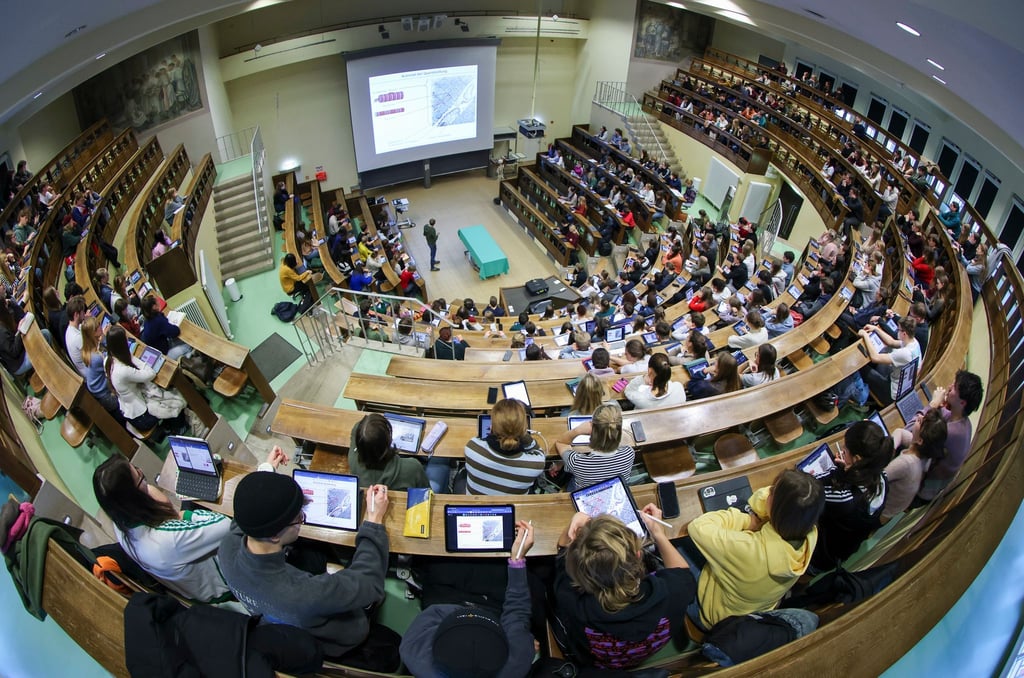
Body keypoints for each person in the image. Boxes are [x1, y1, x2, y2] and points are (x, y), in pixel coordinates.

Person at [219, 462, 400, 671]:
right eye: (299, 518)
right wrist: (374, 522)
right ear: (275, 535)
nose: (301, 520)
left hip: (282, 618)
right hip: (343, 639)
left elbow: (243, 519)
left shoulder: (226, 550)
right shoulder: (304, 593)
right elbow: (369, 583)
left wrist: (266, 475)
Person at [92, 451, 260, 603]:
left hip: (193, 582)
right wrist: (181, 515)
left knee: (199, 485)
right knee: (246, 512)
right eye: (140, 478)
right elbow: (224, 526)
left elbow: (155, 498)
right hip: (224, 582)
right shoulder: (165, 540)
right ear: (134, 499)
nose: (144, 475)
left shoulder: (120, 524)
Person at [684, 469, 823, 631]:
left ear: (778, 508)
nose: (768, 491)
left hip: (710, 614)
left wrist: (746, 520)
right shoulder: (810, 533)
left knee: (683, 544)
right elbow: (759, 500)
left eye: (772, 491)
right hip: (749, 613)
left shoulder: (751, 550)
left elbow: (697, 527)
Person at [553, 509, 694, 669]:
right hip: (643, 654)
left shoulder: (571, 600)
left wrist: (574, 523)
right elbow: (682, 571)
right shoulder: (673, 590)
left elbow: (562, 552)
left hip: (593, 661)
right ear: (639, 555)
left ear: (578, 575)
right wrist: (658, 534)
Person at [399, 519, 537, 678]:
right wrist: (517, 559)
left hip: (448, 603)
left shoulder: (414, 652)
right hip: (494, 608)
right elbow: (517, 613)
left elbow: (433, 612)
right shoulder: (518, 661)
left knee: (438, 566)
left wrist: (466, 612)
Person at [812, 420, 893, 570]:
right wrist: (849, 469)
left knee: (805, 577)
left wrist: (837, 470)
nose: (842, 449)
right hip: (845, 547)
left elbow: (813, 489)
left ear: (857, 459)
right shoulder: (882, 479)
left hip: (823, 551)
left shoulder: (845, 499)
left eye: (846, 449)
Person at [105, 325, 188, 435]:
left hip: (129, 408)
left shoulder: (108, 360)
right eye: (125, 339)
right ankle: (179, 427)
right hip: (141, 417)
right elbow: (150, 374)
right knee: (175, 398)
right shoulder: (122, 371)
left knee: (159, 391)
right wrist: (136, 359)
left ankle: (170, 424)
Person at [916, 370, 983, 502]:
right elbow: (945, 414)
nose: (949, 387)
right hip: (929, 473)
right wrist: (941, 406)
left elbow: (915, 431)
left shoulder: (951, 432)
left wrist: (933, 404)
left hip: (923, 489)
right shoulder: (964, 421)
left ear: (962, 402)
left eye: (954, 388)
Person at [464, 398, 545, 495]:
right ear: (524, 428)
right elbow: (537, 450)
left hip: (477, 507)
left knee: (461, 476)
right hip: (512, 508)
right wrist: (521, 432)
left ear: (491, 426)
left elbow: (481, 439)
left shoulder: (472, 448)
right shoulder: (536, 464)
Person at [553, 403, 635, 490]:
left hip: (586, 494)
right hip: (614, 493)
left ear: (592, 429)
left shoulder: (578, 462)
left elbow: (561, 443)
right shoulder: (629, 453)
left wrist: (577, 430)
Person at [882, 409, 947, 519]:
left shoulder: (906, 463)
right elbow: (900, 432)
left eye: (921, 422)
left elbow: (877, 478)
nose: (919, 417)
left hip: (881, 511)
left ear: (921, 440)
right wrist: (889, 449)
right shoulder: (925, 454)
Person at [348, 413, 429, 490]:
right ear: (388, 440)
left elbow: (356, 429)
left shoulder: (352, 459)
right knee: (438, 462)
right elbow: (426, 492)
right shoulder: (413, 467)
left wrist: (365, 428)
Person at [859, 316, 922, 405]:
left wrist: (865, 335)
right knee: (883, 353)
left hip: (892, 393)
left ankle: (860, 398)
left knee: (861, 367)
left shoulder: (905, 353)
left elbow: (875, 357)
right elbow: (891, 342)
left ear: (904, 334)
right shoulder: (914, 342)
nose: (897, 331)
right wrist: (876, 329)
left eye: (899, 329)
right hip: (897, 381)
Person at [140, 295, 192, 360]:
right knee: (189, 346)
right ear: (154, 307)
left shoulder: (147, 319)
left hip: (158, 348)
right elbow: (176, 332)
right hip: (164, 354)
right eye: (157, 302)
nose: (158, 303)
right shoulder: (157, 320)